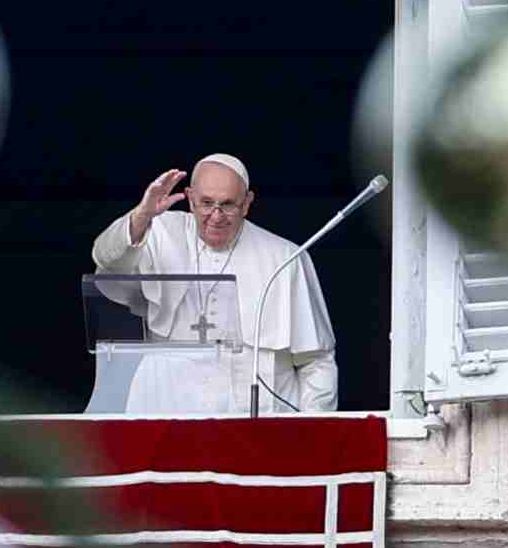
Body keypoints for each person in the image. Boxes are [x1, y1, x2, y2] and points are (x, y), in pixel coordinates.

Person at [91, 153, 338, 413]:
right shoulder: (158, 233)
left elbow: (316, 362)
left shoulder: (285, 258)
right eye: (206, 203)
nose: (216, 216)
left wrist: (311, 433)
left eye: (228, 204)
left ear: (247, 203)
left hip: (255, 426)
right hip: (167, 414)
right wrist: (141, 216)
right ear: (189, 197)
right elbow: (106, 261)